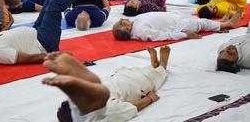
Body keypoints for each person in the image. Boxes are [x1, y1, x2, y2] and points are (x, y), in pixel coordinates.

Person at [42, 46, 171, 121]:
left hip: (112, 80)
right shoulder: (105, 113)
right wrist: (149, 99)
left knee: (134, 73)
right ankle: (162, 66)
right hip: (130, 86)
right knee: (151, 78)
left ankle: (153, 65)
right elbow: (132, 108)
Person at [112, 10, 242, 41]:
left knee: (197, 19)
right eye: (122, 23)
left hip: (175, 19)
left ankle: (220, 22)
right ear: (127, 30)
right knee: (200, 23)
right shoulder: (141, 31)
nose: (124, 19)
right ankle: (227, 24)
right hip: (178, 27)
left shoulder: (135, 23)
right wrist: (185, 35)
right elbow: (163, 35)